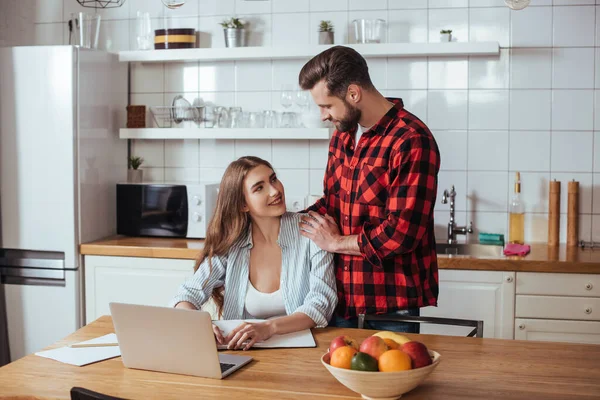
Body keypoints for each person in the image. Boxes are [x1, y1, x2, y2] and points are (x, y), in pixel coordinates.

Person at [297, 46, 440, 333]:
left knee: (391, 378)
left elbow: (401, 233)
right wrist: (282, 220)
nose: (323, 115)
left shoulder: (411, 139)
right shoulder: (343, 136)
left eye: (326, 105)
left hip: (390, 307)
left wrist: (336, 243)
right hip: (339, 301)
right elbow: (333, 203)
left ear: (353, 93)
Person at [170, 156, 337, 350]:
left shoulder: (313, 230)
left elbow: (320, 303)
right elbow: (186, 294)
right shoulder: (231, 244)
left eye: (273, 179)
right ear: (243, 204)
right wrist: (198, 323)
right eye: (259, 187)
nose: (275, 190)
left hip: (303, 353)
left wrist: (269, 327)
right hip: (244, 354)